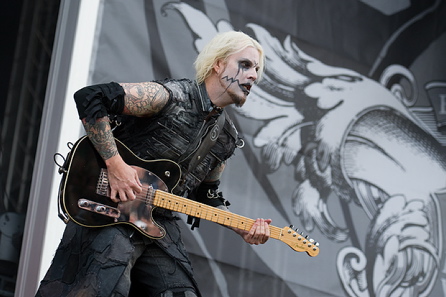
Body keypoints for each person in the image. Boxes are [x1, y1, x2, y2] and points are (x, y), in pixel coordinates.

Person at [36, 31, 271, 297]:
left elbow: (207, 194)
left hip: (159, 221)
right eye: (246, 64)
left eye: (257, 70)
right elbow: (90, 97)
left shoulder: (226, 138)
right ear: (218, 64)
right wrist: (117, 167)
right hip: (111, 208)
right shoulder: (169, 96)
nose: (254, 75)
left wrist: (239, 226)